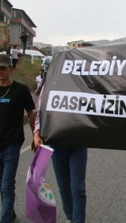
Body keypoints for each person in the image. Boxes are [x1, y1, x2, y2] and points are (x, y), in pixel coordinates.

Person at [33, 56, 87, 223]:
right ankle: (71, 216)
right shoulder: (46, 87)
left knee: (77, 188)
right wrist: (36, 133)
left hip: (78, 143)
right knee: (64, 186)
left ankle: (78, 220)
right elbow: (39, 113)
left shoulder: (81, 84)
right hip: (56, 143)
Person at [0, 53, 36, 223]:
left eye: (3, 68)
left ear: (10, 69)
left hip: (12, 143)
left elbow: (31, 113)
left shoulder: (21, 90)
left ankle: (5, 219)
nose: (0, 71)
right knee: (1, 183)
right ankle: (10, 212)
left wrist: (34, 135)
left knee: (7, 183)